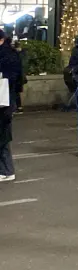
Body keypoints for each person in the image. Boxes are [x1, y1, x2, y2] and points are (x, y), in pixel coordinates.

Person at [0, 30, 21, 180]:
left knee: (2, 137)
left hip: (4, 102)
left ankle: (7, 171)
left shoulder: (7, 56)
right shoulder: (11, 54)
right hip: (7, 100)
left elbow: (13, 78)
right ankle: (6, 170)